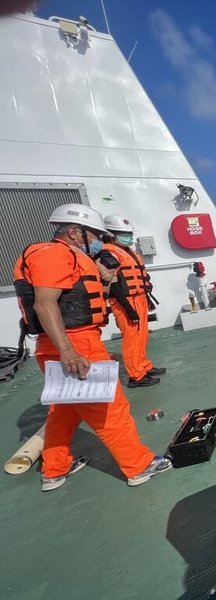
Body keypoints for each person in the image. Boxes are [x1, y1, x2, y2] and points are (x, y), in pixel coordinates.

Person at [13, 203, 171, 491]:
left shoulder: (71, 256)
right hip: (75, 343)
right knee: (110, 409)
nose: (101, 238)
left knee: (64, 411)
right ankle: (139, 466)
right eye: (95, 234)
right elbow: (44, 303)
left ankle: (55, 469)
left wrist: (105, 278)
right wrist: (68, 350)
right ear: (75, 233)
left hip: (67, 341)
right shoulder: (53, 254)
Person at [102, 214, 165, 388]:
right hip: (125, 301)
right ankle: (135, 376)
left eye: (129, 233)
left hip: (139, 298)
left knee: (142, 336)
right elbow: (113, 285)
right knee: (131, 339)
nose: (128, 237)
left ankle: (144, 366)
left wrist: (146, 297)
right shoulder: (107, 253)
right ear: (111, 234)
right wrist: (128, 309)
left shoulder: (127, 251)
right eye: (124, 233)